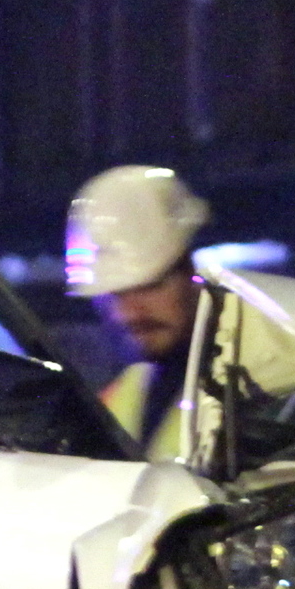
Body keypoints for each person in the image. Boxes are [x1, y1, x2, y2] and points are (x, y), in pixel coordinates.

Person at [67, 164, 213, 454]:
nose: (130, 313)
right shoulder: (122, 395)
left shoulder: (258, 387)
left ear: (193, 271)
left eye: (150, 286)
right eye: (116, 295)